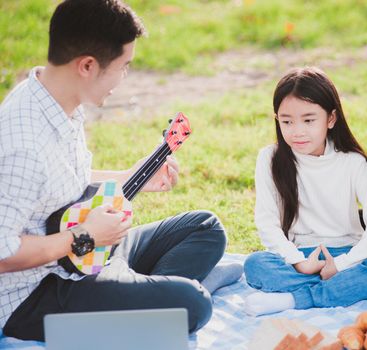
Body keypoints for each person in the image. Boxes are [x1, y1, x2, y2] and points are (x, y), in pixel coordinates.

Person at [0, 0, 241, 342]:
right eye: (124, 65)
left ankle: (140, 293)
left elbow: (62, 182)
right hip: (38, 292)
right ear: (87, 65)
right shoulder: (22, 143)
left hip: (88, 255)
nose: (125, 77)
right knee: (195, 305)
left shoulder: (56, 99)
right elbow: (2, 252)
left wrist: (130, 176)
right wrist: (83, 237)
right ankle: (163, 294)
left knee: (205, 227)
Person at [243, 67, 367, 316]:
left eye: (309, 120)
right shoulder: (269, 158)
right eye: (287, 121)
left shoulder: (352, 161)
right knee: (255, 265)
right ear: (277, 119)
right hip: (301, 258)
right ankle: (342, 291)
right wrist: (299, 262)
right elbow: (267, 222)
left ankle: (295, 299)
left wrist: (340, 266)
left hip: (348, 257)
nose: (297, 131)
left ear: (331, 119)